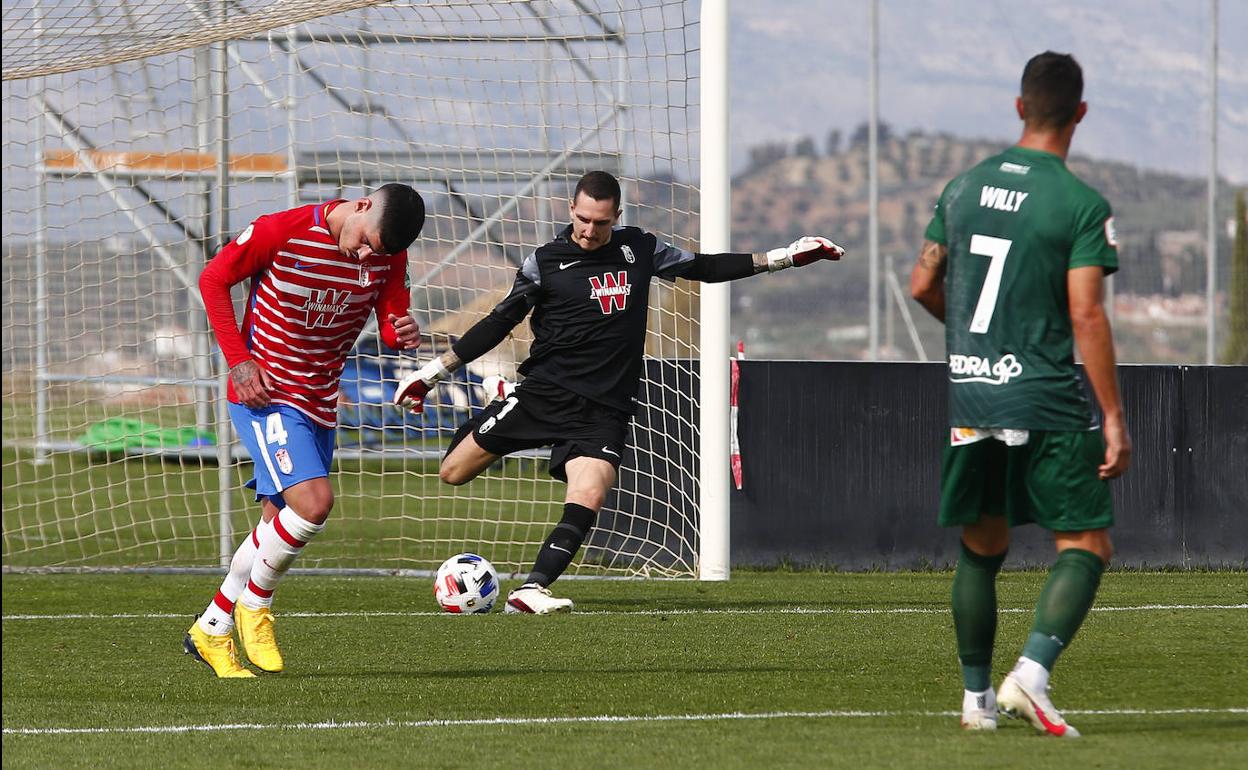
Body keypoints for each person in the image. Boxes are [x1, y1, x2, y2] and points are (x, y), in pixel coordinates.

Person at [395, 170, 844, 614]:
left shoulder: (640, 249)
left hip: (603, 409)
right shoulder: (545, 262)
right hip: (544, 394)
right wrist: (432, 373)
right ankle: (502, 395)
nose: (590, 231)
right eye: (584, 219)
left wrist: (784, 257)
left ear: (617, 216)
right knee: (453, 472)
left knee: (590, 493)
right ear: (571, 209)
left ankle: (532, 589)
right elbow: (498, 322)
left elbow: (704, 267)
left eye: (602, 222)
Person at [910, 51, 1131, 737]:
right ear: (1081, 114)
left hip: (975, 396)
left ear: (1018, 107)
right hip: (1044, 397)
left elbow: (921, 285)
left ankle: (976, 701)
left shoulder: (961, 187)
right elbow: (1087, 315)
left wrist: (979, 344)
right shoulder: (1080, 204)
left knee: (981, 547)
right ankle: (1030, 676)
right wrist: (1115, 417)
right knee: (1087, 543)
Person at [185, 183, 426, 677]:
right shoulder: (282, 231)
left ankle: (210, 628)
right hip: (266, 395)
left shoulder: (387, 256)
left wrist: (401, 333)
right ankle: (256, 607)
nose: (363, 256)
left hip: (320, 401)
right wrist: (238, 362)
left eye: (374, 254)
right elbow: (213, 279)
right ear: (361, 207)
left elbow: (389, 319)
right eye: (364, 242)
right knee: (314, 504)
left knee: (276, 523)